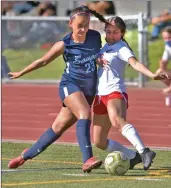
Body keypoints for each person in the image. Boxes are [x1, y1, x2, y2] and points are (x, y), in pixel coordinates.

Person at [7, 6, 143, 172]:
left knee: (58, 127)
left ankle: (25, 156)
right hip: (70, 86)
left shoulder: (94, 37)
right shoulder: (64, 44)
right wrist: (21, 72)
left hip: (89, 91)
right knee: (84, 113)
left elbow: (100, 54)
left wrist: (100, 59)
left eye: (86, 25)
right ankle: (87, 159)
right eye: (80, 25)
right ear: (70, 23)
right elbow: (43, 61)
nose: (84, 29)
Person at [92, 16, 169, 170]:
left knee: (117, 121)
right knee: (99, 141)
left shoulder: (122, 48)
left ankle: (144, 151)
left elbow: (135, 63)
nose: (111, 35)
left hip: (115, 91)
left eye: (115, 32)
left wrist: (151, 74)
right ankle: (134, 156)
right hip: (100, 95)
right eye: (108, 31)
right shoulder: (104, 47)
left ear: (122, 33)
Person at [156, 26, 171, 106]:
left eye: (169, 37)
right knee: (159, 73)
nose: (167, 40)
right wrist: (162, 65)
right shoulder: (168, 47)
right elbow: (163, 63)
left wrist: (169, 89)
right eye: (165, 38)